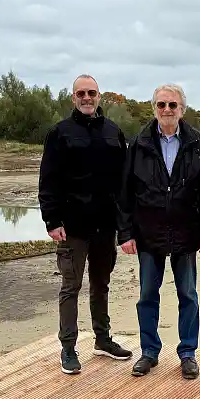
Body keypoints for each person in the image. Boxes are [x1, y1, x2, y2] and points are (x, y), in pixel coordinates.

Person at [117, 83, 200, 380]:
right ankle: (149, 351)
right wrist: (126, 233)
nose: (167, 110)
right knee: (147, 294)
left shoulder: (196, 143)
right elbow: (126, 192)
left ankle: (188, 353)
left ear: (182, 109)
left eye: (173, 105)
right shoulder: (139, 144)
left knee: (188, 294)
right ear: (154, 108)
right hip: (148, 232)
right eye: (162, 105)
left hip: (186, 231)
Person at [38, 74, 133, 374]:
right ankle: (68, 347)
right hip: (73, 226)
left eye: (91, 92)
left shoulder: (113, 132)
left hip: (105, 226)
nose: (87, 97)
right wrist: (52, 220)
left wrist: (124, 225)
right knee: (71, 286)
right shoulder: (60, 133)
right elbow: (48, 180)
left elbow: (123, 183)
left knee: (101, 285)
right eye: (81, 93)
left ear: (99, 96)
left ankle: (102, 339)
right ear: (73, 98)